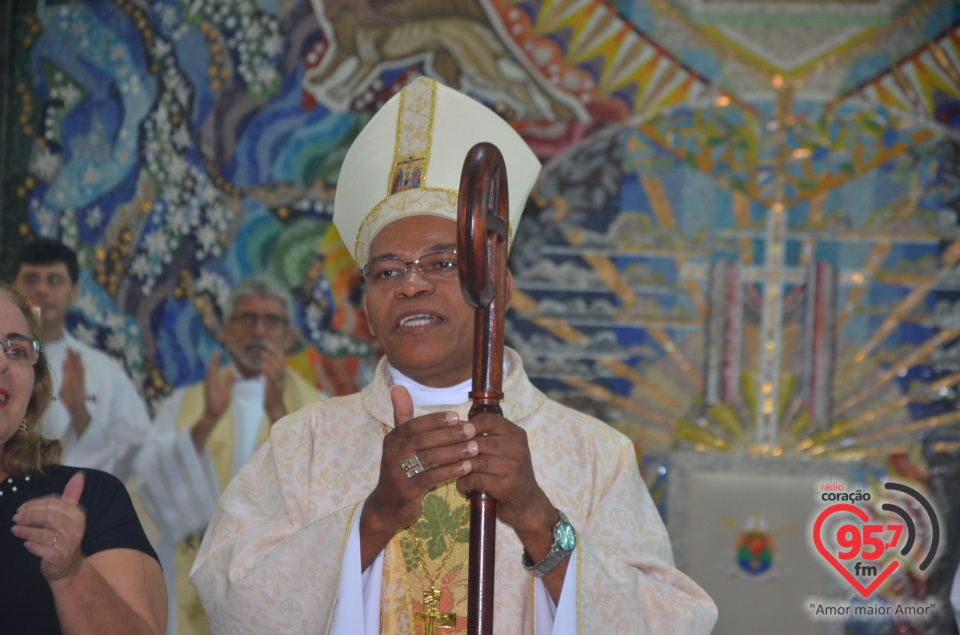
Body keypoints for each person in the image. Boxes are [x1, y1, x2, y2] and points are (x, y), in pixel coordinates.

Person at [192, 77, 718, 633]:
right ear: (367, 305)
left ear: (499, 285)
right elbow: (229, 596)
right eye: (387, 271)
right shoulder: (304, 445)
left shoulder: (593, 454)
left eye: (441, 262)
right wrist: (373, 519)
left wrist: (537, 518)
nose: (411, 286)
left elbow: (672, 621)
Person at [135, 275, 324, 635]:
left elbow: (323, 497)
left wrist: (277, 413)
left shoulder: (316, 407)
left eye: (272, 321)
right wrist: (206, 420)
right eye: (247, 318)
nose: (259, 330)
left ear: (288, 335)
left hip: (277, 579)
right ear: (226, 330)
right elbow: (149, 481)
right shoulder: (186, 404)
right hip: (197, 575)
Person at [0, 282, 167, 634]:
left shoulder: (92, 499)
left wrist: (71, 574)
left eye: (15, 350)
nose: (2, 361)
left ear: (34, 388)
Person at [13, 238, 150, 482]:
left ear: (75, 292)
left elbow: (135, 455)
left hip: (82, 505)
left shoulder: (104, 371)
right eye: (32, 279)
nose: (42, 290)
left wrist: (79, 412)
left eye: (54, 280)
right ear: (13, 287)